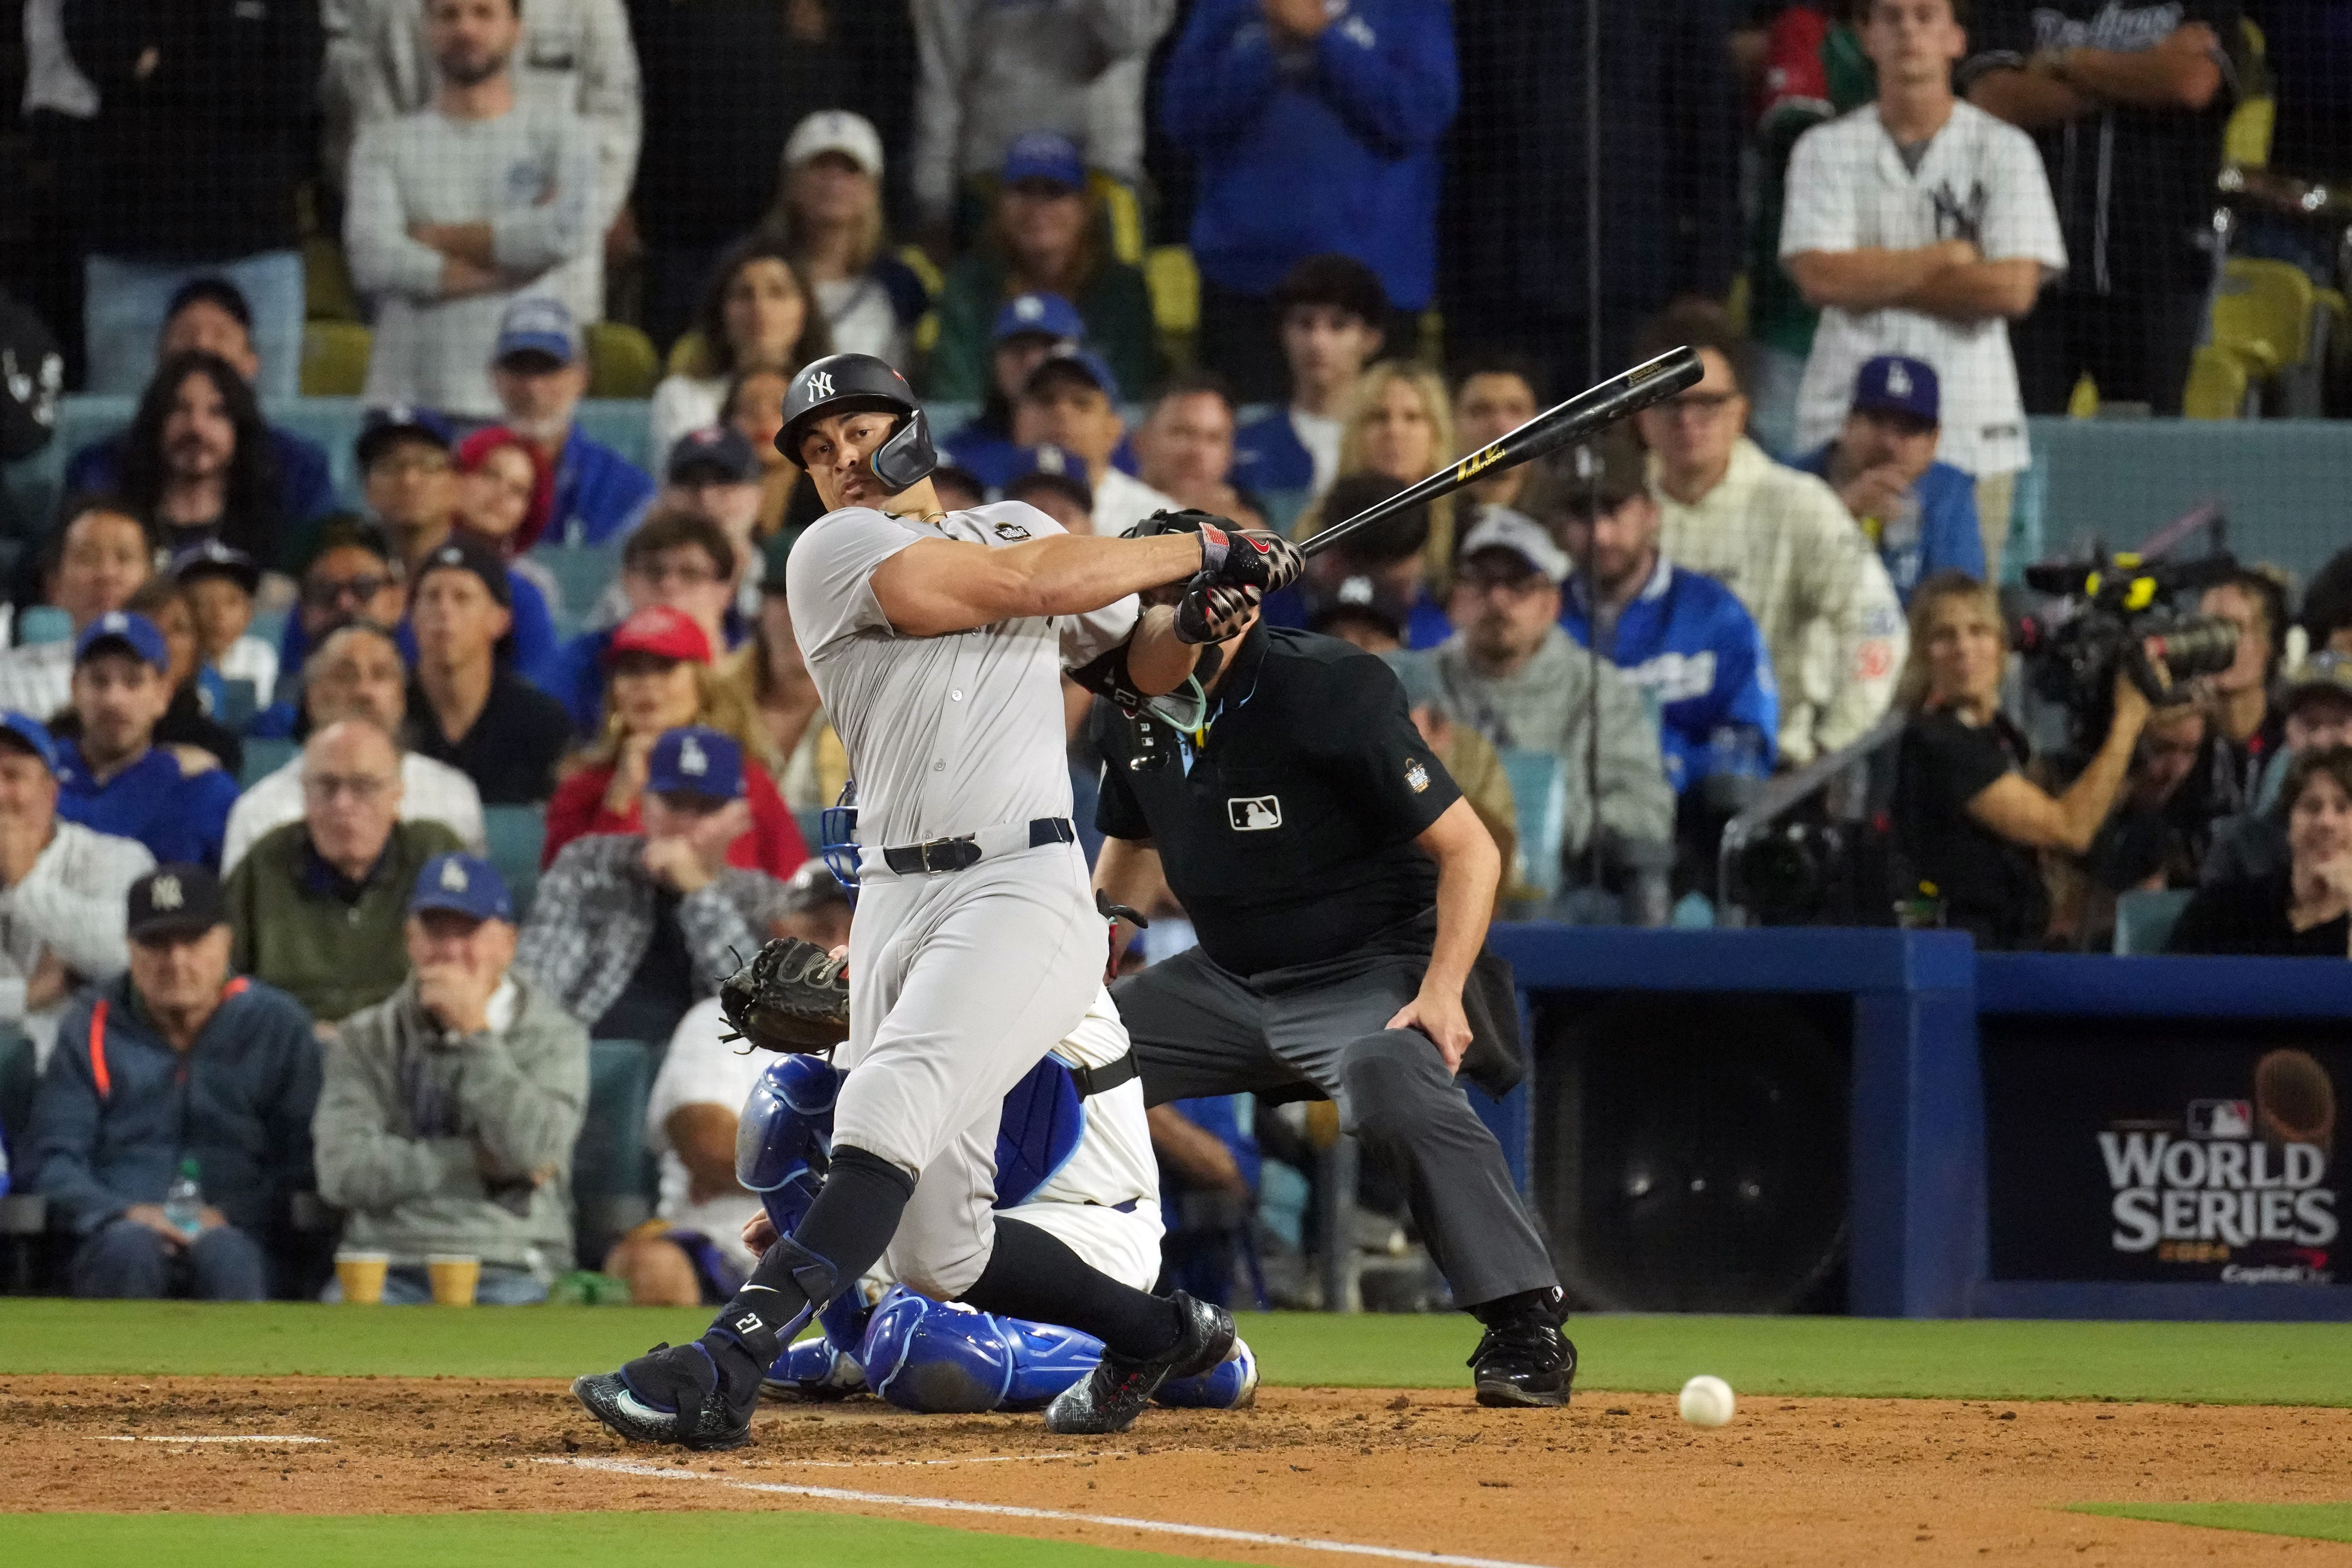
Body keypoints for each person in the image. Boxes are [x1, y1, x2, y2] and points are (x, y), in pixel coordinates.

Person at [571, 351, 1263, 1449]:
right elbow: (1027, 589)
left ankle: (721, 1363)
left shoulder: (1017, 523)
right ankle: (1162, 1330)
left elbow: (1143, 671)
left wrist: (1203, 605)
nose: (841, 458)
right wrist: (1198, 542)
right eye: (816, 448)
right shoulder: (835, 549)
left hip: (1022, 879)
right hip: (893, 893)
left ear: (910, 426)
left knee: (881, 1104)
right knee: (945, 1249)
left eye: (857, 430)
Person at [1086, 512, 1574, 1407]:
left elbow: (1470, 851)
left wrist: (1440, 991)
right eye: (1136, 602)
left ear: (1224, 609)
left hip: (1363, 965)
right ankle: (1079, 1308)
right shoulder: (1129, 705)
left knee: (1390, 1072)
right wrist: (1086, 966)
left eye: (1165, 599)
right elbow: (1124, 857)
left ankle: (1524, 1321)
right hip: (1223, 978)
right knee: (1059, 1055)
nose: (1146, 622)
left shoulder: (1330, 686)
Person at [748, 1015, 1253, 1415]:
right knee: (785, 1095)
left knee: (922, 1345)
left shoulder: (1025, 921)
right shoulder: (900, 939)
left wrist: (860, 993)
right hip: (960, 1228)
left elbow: (962, 1014)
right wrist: (838, 1209)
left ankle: (1169, 1347)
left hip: (1087, 1227)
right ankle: (858, 1344)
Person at [1780, 0, 2068, 575]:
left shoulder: (2005, 151)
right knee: (1827, 603)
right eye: (1889, 17)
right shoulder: (1823, 149)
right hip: (1843, 426)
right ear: (1865, 37)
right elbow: (1819, 277)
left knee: (1960, 621)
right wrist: (1946, 257)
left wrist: (1869, 277)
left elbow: (2011, 290)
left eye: (1924, 15)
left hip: (1971, 422)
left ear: (1956, 37)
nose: (1908, 30)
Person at [1636, 302, 1907, 769]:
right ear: (1638, 415)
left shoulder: (1798, 505)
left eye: (1707, 403)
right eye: (1669, 401)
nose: (1687, 420)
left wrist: (1828, 750)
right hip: (1632, 778)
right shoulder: (1610, 513)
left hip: (1769, 776)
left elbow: (1877, 628)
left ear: (1740, 412)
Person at [32, 865, 319, 1299]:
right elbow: (52, 1161)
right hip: (116, 1234)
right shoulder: (90, 1025)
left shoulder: (277, 1026)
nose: (176, 961)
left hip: (240, 1234)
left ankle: (251, 1370)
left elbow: (303, 1164)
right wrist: (124, 1214)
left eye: (193, 941)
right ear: (130, 948)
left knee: (227, 1256)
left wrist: (230, 1216)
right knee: (129, 1249)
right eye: (157, 944)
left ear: (226, 942)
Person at [313, 852, 588, 1301]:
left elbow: (534, 1149)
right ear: (410, 939)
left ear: (508, 943)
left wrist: (475, 1034)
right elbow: (342, 1173)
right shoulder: (365, 1037)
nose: (450, 950)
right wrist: (475, 1162)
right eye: (435, 931)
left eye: (468, 932)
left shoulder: (555, 1037)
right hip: (385, 1263)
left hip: (512, 1261)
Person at [1441, 0, 1739, 403]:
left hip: (1639, 283)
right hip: (1505, 285)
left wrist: (1706, 279)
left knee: (1626, 443)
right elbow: (1462, 137)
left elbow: (1710, 136)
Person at [1162, 0, 1457, 402]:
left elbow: (1420, 114)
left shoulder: (1411, 8)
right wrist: (1267, 46)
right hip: (1245, 283)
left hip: (1372, 290)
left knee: (1370, 451)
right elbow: (1182, 116)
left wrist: (1323, 37)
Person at [1963, 1, 2237, 420]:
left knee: (2140, 463)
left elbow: (2189, 83)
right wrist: (2143, 73)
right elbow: (1995, 99)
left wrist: (2064, 60)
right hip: (2033, 276)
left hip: (2157, 275)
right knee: (2022, 455)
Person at [345, 0, 600, 419]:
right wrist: (508, 266)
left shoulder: (563, 136)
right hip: (411, 398)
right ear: (427, 28)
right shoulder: (383, 144)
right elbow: (374, 258)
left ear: (516, 28)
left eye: (483, 13)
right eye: (448, 14)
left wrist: (432, 239)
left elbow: (562, 234)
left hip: (527, 395)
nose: (465, 28)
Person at [1892, 571, 2157, 949]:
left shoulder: (2000, 734)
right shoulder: (1938, 742)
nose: (1963, 649)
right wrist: (2127, 722)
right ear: (1920, 653)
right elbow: (2068, 828)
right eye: (1943, 636)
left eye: (1978, 631)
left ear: (2001, 646)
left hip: (2014, 943)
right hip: (1966, 960)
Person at [67, 0, 317, 400]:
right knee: (123, 440)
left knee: (267, 439)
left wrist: (160, 67)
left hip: (258, 247)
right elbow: (97, 48)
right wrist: (236, 61)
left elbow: (294, 80)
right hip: (131, 245)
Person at [1431, 514, 1679, 874]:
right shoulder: (1414, 683)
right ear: (1457, 600)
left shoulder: (1599, 689)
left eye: (1518, 584)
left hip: (1563, 892)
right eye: (1482, 583)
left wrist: (1551, 820)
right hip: (1433, 883)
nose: (1498, 600)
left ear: (1551, 604)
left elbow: (1647, 811)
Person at [1550, 430, 1780, 801]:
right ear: (1559, 527)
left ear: (1650, 513)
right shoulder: (1540, 618)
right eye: (1582, 516)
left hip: (1692, 823)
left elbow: (1750, 744)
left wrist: (1662, 765)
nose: (1600, 535)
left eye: (1613, 510)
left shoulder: (1714, 615)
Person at [517, 727, 785, 1041]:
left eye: (706, 807)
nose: (685, 821)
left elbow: (761, 1015)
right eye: (673, 803)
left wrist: (700, 893)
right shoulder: (589, 864)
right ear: (644, 804)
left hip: (708, 1072)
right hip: (586, 1054)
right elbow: (536, 983)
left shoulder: (759, 898)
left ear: (740, 819)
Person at [622, 0, 839, 351]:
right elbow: (625, 93)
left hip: (777, 219)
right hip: (674, 223)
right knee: (690, 360)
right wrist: (621, 202)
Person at [226, 718, 467, 1025]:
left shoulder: (436, 856)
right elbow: (223, 980)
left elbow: (479, 975)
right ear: (305, 794)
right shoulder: (265, 863)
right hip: (296, 1051)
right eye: (326, 786)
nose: (342, 804)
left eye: (363, 787)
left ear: (397, 794)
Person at [543, 611, 805, 874]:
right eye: (632, 670)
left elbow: (793, 889)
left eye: (665, 667)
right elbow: (561, 892)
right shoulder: (581, 788)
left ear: (701, 683)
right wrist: (619, 802)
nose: (647, 685)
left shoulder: (748, 782)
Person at [64, 279, 336, 530]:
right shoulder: (102, 467)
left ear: (252, 363)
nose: (202, 347)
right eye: (186, 334)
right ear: (159, 359)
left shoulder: (300, 468)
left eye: (220, 335)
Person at [226, 622, 487, 871]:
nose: (364, 691)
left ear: (401, 697)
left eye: (381, 674)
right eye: (345, 676)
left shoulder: (453, 796)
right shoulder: (261, 811)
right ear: (313, 697)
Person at [909, 0, 1173, 243]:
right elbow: (940, 81)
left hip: (1101, 172)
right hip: (993, 174)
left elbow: (1130, 35)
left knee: (1114, 292)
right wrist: (934, 199)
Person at [927, 132, 1159, 406]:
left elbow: (1126, 401)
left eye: (1054, 192)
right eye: (1024, 190)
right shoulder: (969, 286)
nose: (1037, 208)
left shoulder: (1121, 289)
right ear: (999, 205)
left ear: (1084, 208)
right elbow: (956, 399)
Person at [348, 407, 563, 687]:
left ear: (456, 483)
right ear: (368, 488)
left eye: (428, 465)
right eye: (391, 466)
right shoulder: (337, 586)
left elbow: (541, 699)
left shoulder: (512, 594)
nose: (409, 480)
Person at [0, 712, 154, 1061]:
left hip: (86, 1070)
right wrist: (25, 995)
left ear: (51, 793)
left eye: (13, 776)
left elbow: (125, 954)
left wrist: (26, 884)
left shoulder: (115, 858)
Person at [1791, 355, 1987, 603]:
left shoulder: (1950, 492)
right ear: (1847, 423)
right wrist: (1841, 514)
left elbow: (1959, 604)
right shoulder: (1792, 480)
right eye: (1876, 420)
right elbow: (1765, 586)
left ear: (1933, 442)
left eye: (1909, 429)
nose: (1889, 444)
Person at [52, 612, 240, 870]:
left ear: (163, 694)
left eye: (133, 682)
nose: (114, 700)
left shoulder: (205, 790)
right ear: (74, 689)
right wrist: (162, 769)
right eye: (99, 681)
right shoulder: (31, 776)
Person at [648, 238, 836, 480]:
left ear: (805, 310)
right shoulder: (681, 396)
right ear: (721, 312)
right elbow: (685, 488)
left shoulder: (837, 396)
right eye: (744, 295)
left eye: (777, 293)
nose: (759, 308)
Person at [544, 512, 748, 734]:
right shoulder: (586, 659)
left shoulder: (751, 663)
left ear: (726, 591)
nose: (669, 585)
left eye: (690, 573)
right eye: (654, 571)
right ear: (627, 582)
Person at [407, 537, 574, 805]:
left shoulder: (541, 723)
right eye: (432, 596)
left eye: (462, 598)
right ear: (412, 618)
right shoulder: (389, 711)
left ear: (499, 621)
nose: (444, 611)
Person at [484, 298, 657, 547]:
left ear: (582, 378)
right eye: (519, 368)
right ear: (494, 377)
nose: (533, 388)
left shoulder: (624, 488)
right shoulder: (462, 474)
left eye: (548, 368)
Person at [764, 110, 930, 370]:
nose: (834, 181)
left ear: (872, 189)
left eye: (849, 169)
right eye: (820, 167)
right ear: (792, 183)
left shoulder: (903, 283)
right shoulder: (752, 272)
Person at [2169, 745, 2352, 956]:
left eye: (2344, 808)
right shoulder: (2223, 909)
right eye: (2311, 807)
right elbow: (2171, 984)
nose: (2326, 822)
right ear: (2288, 824)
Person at [1231, 256, 1388, 501]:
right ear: (1282, 333)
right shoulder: (1240, 439)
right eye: (1305, 324)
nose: (1318, 342)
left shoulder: (1396, 438)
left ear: (1371, 339)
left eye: (1338, 326)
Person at [112, 351, 287, 567]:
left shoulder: (271, 524)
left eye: (217, 412)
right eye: (180, 409)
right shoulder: (120, 519)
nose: (196, 427)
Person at [1296, 360, 1459, 592]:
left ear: (1437, 436)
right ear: (1355, 434)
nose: (1394, 431)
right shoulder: (1317, 527)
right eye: (1379, 417)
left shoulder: (1462, 530)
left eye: (1412, 418)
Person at [2202, 653, 2352, 886]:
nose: (2322, 741)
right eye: (2310, 724)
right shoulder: (2244, 848)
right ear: (2288, 732)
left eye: (2339, 723)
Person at [726, 536, 850, 815]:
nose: (802, 616)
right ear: (760, 607)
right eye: (786, 598)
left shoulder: (877, 706)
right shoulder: (713, 696)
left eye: (820, 600)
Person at [0, 499, 154, 723]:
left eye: (124, 557)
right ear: (54, 585)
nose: (107, 574)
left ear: (152, 580)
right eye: (88, 558)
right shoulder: (9, 677)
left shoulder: (178, 670)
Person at [1259, 475, 1451, 651]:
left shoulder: (1432, 636)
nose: (1411, 592)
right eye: (1397, 585)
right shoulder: (1268, 614)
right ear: (1337, 563)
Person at [1016, 348, 1180, 537]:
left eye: (1081, 403)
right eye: (1046, 400)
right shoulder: (983, 507)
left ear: (1114, 428)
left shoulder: (1156, 520)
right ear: (1018, 421)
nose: (1061, 412)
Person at [940, 291, 1089, 490]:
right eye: (1018, 349)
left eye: (1047, 346)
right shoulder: (959, 454)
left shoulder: (1108, 446)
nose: (1032, 362)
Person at [122, 577, 246, 777]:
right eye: (149, 625)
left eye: (179, 629)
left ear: (196, 651)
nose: (163, 638)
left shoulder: (217, 746)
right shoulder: (75, 733)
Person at [2199, 568, 2290, 806]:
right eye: (2204, 629)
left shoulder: (2291, 740)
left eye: (2234, 629)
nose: (2217, 644)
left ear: (2269, 644)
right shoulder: (2183, 746)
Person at [1133, 375, 1266, 532]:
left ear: (1230, 453)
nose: (1197, 452)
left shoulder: (1249, 527)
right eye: (1182, 433)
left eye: (1214, 438)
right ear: (1141, 440)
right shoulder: (1103, 512)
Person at [173, 541, 279, 711]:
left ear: (248, 613)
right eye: (203, 603)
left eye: (231, 602)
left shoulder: (258, 655)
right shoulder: (173, 658)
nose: (218, 615)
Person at [1450, 360, 1548, 531]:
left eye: (1515, 410)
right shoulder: (1431, 519)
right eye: (1481, 411)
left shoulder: (1564, 516)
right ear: (1452, 423)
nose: (1499, 426)